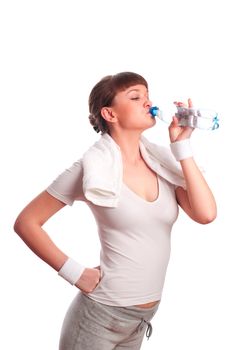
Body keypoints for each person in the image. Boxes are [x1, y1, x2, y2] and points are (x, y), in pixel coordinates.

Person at [14, 72, 217, 350]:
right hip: (98, 318)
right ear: (109, 113)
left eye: (147, 96)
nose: (147, 103)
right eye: (135, 97)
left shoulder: (161, 163)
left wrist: (182, 147)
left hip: (140, 321)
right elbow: (27, 222)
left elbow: (206, 214)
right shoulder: (93, 169)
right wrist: (75, 273)